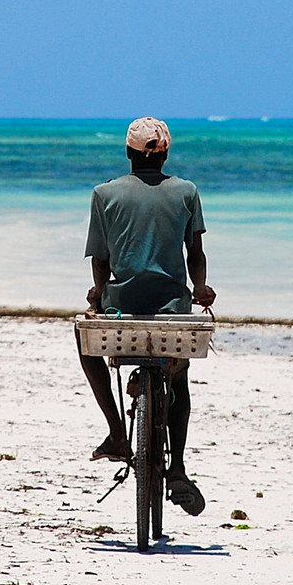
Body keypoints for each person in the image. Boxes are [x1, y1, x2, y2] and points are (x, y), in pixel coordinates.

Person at [74, 116, 216, 516]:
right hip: (173, 310)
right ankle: (179, 470)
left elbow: (100, 260)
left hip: (121, 309)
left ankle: (118, 433)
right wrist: (201, 288)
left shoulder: (104, 194)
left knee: (85, 344)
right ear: (167, 153)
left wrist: (100, 296)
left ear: (127, 153)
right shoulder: (187, 192)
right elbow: (195, 254)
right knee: (180, 381)